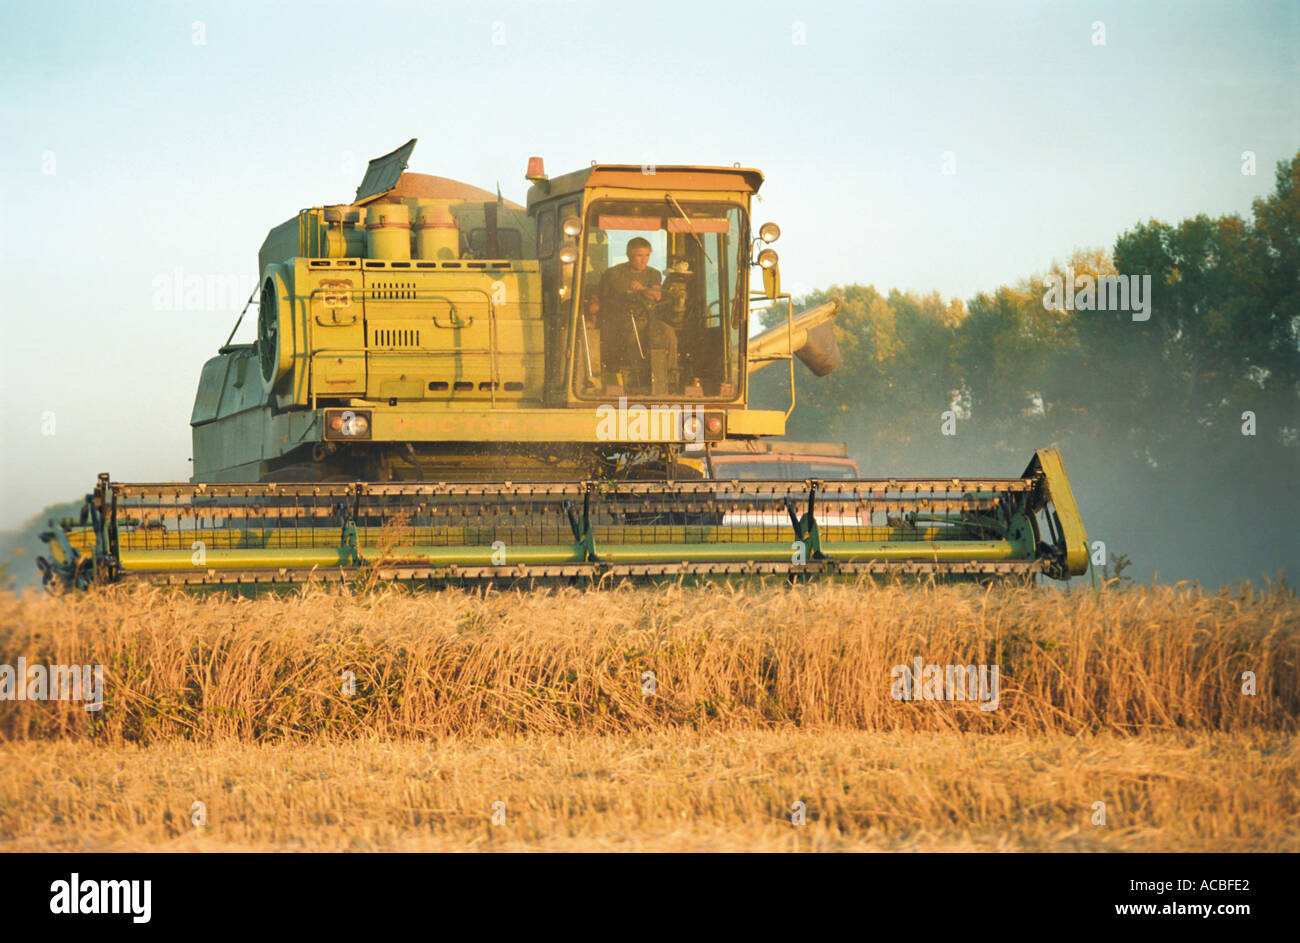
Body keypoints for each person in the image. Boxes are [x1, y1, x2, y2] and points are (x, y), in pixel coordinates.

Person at [596, 237, 678, 390]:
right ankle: (636, 379)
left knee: (669, 334)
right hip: (622, 321)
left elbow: (656, 296)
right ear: (629, 255)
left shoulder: (653, 273)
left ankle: (671, 376)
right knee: (633, 338)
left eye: (647, 255)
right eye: (639, 256)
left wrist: (640, 289)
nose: (643, 260)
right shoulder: (614, 273)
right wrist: (644, 292)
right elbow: (609, 297)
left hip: (649, 319)